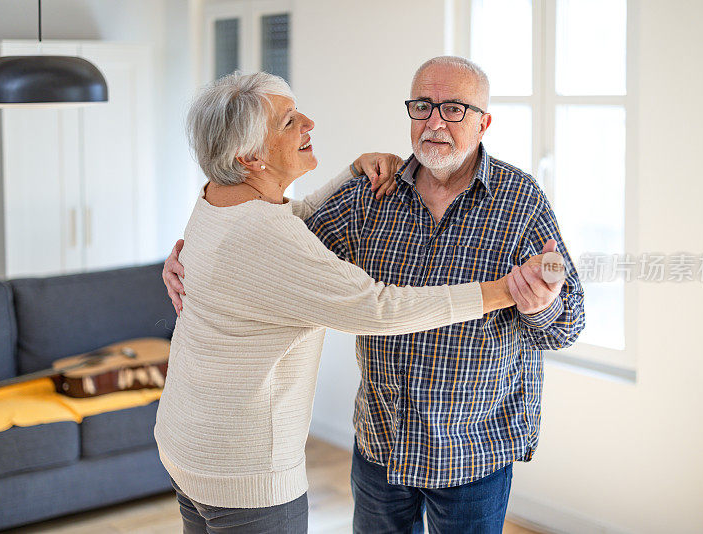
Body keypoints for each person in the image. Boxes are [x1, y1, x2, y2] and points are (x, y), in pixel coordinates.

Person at [154, 70, 549, 534]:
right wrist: (499, 292)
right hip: (255, 469)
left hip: (187, 443)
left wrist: (350, 171)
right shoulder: (300, 228)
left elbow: (291, 223)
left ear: (483, 123)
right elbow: (376, 307)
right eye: (288, 121)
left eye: (454, 109)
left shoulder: (214, 203)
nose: (308, 123)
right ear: (249, 158)